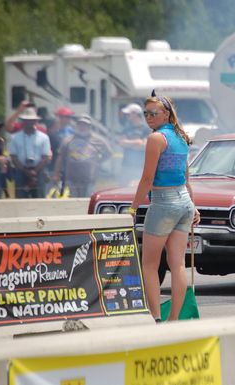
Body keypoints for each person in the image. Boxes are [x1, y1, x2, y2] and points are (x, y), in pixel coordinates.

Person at [129, 94, 200, 322]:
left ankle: (157, 318)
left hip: (164, 203)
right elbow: (186, 177)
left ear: (166, 115)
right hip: (184, 203)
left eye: (153, 113)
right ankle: (174, 319)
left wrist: (132, 209)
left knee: (149, 265)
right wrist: (194, 206)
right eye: (146, 114)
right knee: (177, 263)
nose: (149, 118)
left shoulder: (156, 139)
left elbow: (147, 178)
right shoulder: (181, 138)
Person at [53, 114, 112, 197]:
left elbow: (109, 153)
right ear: (77, 125)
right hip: (71, 178)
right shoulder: (67, 140)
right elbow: (60, 157)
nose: (82, 127)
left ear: (89, 126)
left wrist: (98, 162)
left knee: (87, 202)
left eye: (85, 125)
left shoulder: (98, 140)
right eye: (80, 124)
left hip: (89, 178)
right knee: (74, 202)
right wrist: (56, 174)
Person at [8, 107, 52, 198]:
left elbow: (46, 157)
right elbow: (13, 157)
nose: (29, 122)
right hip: (21, 172)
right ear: (23, 121)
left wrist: (34, 172)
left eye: (32, 120)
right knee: (20, 201)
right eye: (27, 120)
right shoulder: (15, 137)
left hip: (39, 172)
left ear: (36, 121)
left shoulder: (44, 137)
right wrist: (25, 170)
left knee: (39, 200)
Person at [118, 103, 151, 185]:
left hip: (141, 166)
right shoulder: (126, 129)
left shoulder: (146, 129)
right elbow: (121, 143)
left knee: (141, 187)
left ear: (135, 114)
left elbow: (144, 145)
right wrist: (136, 142)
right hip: (126, 165)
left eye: (129, 114)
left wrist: (128, 143)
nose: (127, 116)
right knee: (123, 187)